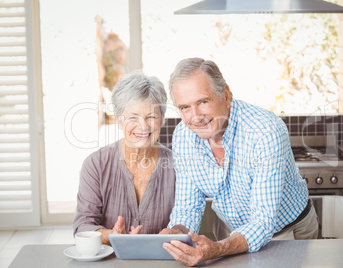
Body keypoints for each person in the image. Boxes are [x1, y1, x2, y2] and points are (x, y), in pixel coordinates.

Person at [161, 58, 318, 266]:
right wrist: (177, 233)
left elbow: (262, 221)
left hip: (285, 233)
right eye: (185, 108)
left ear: (225, 95)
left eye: (203, 102)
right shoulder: (183, 136)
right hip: (230, 232)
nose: (195, 116)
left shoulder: (265, 131)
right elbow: (187, 206)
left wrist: (218, 248)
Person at [73, 73, 175, 245]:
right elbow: (82, 226)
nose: (143, 126)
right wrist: (111, 235)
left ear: (162, 120)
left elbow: (187, 222)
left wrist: (174, 231)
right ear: (120, 121)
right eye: (132, 117)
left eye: (151, 117)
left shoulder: (177, 164)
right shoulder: (96, 164)